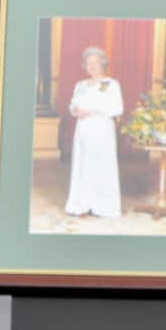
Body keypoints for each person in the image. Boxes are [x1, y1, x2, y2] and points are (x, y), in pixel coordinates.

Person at [65, 46, 123, 218]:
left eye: (96, 62)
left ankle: (103, 207)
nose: (92, 66)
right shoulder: (80, 85)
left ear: (103, 64)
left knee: (101, 165)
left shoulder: (110, 84)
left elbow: (117, 108)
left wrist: (92, 110)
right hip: (82, 130)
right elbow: (72, 105)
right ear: (84, 65)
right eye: (89, 63)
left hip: (101, 130)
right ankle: (81, 204)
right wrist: (75, 110)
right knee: (82, 165)